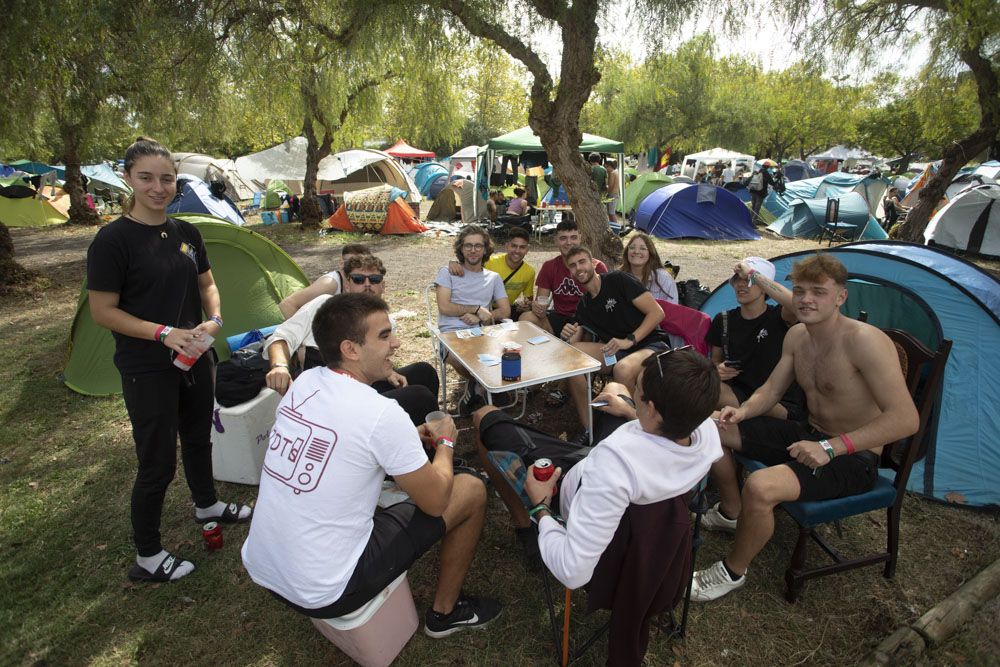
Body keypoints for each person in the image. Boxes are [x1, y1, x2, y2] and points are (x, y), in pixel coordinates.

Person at [242, 293, 502, 637]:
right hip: (326, 589)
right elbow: (437, 501)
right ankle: (446, 612)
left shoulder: (304, 382)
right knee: (469, 488)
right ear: (350, 349)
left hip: (264, 566)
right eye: (384, 336)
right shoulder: (380, 413)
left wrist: (407, 437)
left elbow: (347, 442)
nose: (396, 343)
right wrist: (446, 443)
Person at [691, 253, 920, 602]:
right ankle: (732, 512)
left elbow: (906, 418)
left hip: (852, 455)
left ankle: (731, 572)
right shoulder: (798, 335)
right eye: (799, 291)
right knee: (710, 429)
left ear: (840, 297)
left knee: (762, 486)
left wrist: (831, 448)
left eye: (818, 291)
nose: (806, 299)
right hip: (808, 432)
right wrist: (742, 412)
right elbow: (771, 390)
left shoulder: (864, 341)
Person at [87, 137, 251, 584]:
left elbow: (208, 286)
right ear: (128, 178)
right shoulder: (113, 240)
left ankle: (207, 504)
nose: (158, 187)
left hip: (196, 357)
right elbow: (103, 311)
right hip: (147, 367)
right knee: (157, 461)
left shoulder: (186, 233)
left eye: (166, 178)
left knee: (199, 438)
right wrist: (163, 334)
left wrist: (213, 321)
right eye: (147, 178)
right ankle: (148, 555)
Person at [520, 349, 722, 665]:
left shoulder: (614, 465)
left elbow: (573, 571)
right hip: (654, 542)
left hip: (584, 510)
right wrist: (629, 410)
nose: (634, 395)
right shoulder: (704, 433)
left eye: (637, 392)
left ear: (653, 409)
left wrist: (541, 507)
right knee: (613, 392)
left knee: (492, 422)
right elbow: (655, 435)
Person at [264, 254, 439, 425]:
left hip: (364, 386)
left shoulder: (384, 320)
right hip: (330, 399)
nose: (367, 285)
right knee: (419, 397)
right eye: (358, 279)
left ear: (383, 286)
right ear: (347, 285)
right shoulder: (324, 308)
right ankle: (430, 444)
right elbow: (281, 338)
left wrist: (390, 372)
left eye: (374, 280)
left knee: (424, 372)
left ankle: (422, 440)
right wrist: (279, 367)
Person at [560, 247, 668, 437]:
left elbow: (657, 313)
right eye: (573, 265)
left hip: (651, 344)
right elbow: (573, 339)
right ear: (570, 272)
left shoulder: (618, 280)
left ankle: (642, 428)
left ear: (593, 263)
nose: (579, 268)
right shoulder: (584, 305)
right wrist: (567, 335)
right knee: (571, 358)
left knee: (623, 369)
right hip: (619, 350)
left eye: (582, 261)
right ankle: (590, 430)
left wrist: (630, 340)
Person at [705, 257, 803, 420]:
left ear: (764, 287)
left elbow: (796, 305)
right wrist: (717, 369)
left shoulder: (780, 317)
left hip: (777, 401)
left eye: (748, 280)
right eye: (737, 280)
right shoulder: (723, 320)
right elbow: (714, 361)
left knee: (715, 417)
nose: (741, 284)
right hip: (738, 394)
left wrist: (754, 274)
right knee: (703, 388)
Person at [519, 220, 608, 338]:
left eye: (573, 237)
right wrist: (537, 307)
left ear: (580, 238)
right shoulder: (549, 266)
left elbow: (605, 303)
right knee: (526, 317)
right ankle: (552, 344)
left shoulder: (595, 266)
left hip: (586, 319)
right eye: (563, 238)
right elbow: (541, 301)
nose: (569, 242)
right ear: (556, 240)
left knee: (579, 334)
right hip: (559, 316)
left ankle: (564, 347)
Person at [434, 225, 510, 333]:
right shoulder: (448, 272)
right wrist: (476, 309)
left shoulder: (494, 278)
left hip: (482, 333)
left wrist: (479, 317)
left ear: (485, 250)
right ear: (461, 248)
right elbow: (444, 307)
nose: (473, 250)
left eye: (478, 246)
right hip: (453, 333)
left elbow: (505, 311)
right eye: (468, 246)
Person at [277, 243, 371, 318]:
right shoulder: (330, 283)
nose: (355, 266)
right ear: (341, 263)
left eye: (362, 263)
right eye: (351, 262)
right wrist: (300, 338)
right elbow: (287, 304)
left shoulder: (366, 282)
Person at [623, 233, 678, 303]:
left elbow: (672, 310)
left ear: (650, 253)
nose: (636, 251)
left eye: (643, 248)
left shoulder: (664, 278)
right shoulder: (618, 277)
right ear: (626, 252)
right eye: (632, 247)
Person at [606, 159, 620, 224]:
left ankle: (616, 228)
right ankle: (613, 227)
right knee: (610, 213)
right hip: (615, 194)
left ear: (610, 166)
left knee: (611, 213)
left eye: (606, 167)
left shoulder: (612, 173)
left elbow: (610, 186)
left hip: (612, 194)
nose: (606, 169)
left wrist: (606, 192)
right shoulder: (616, 172)